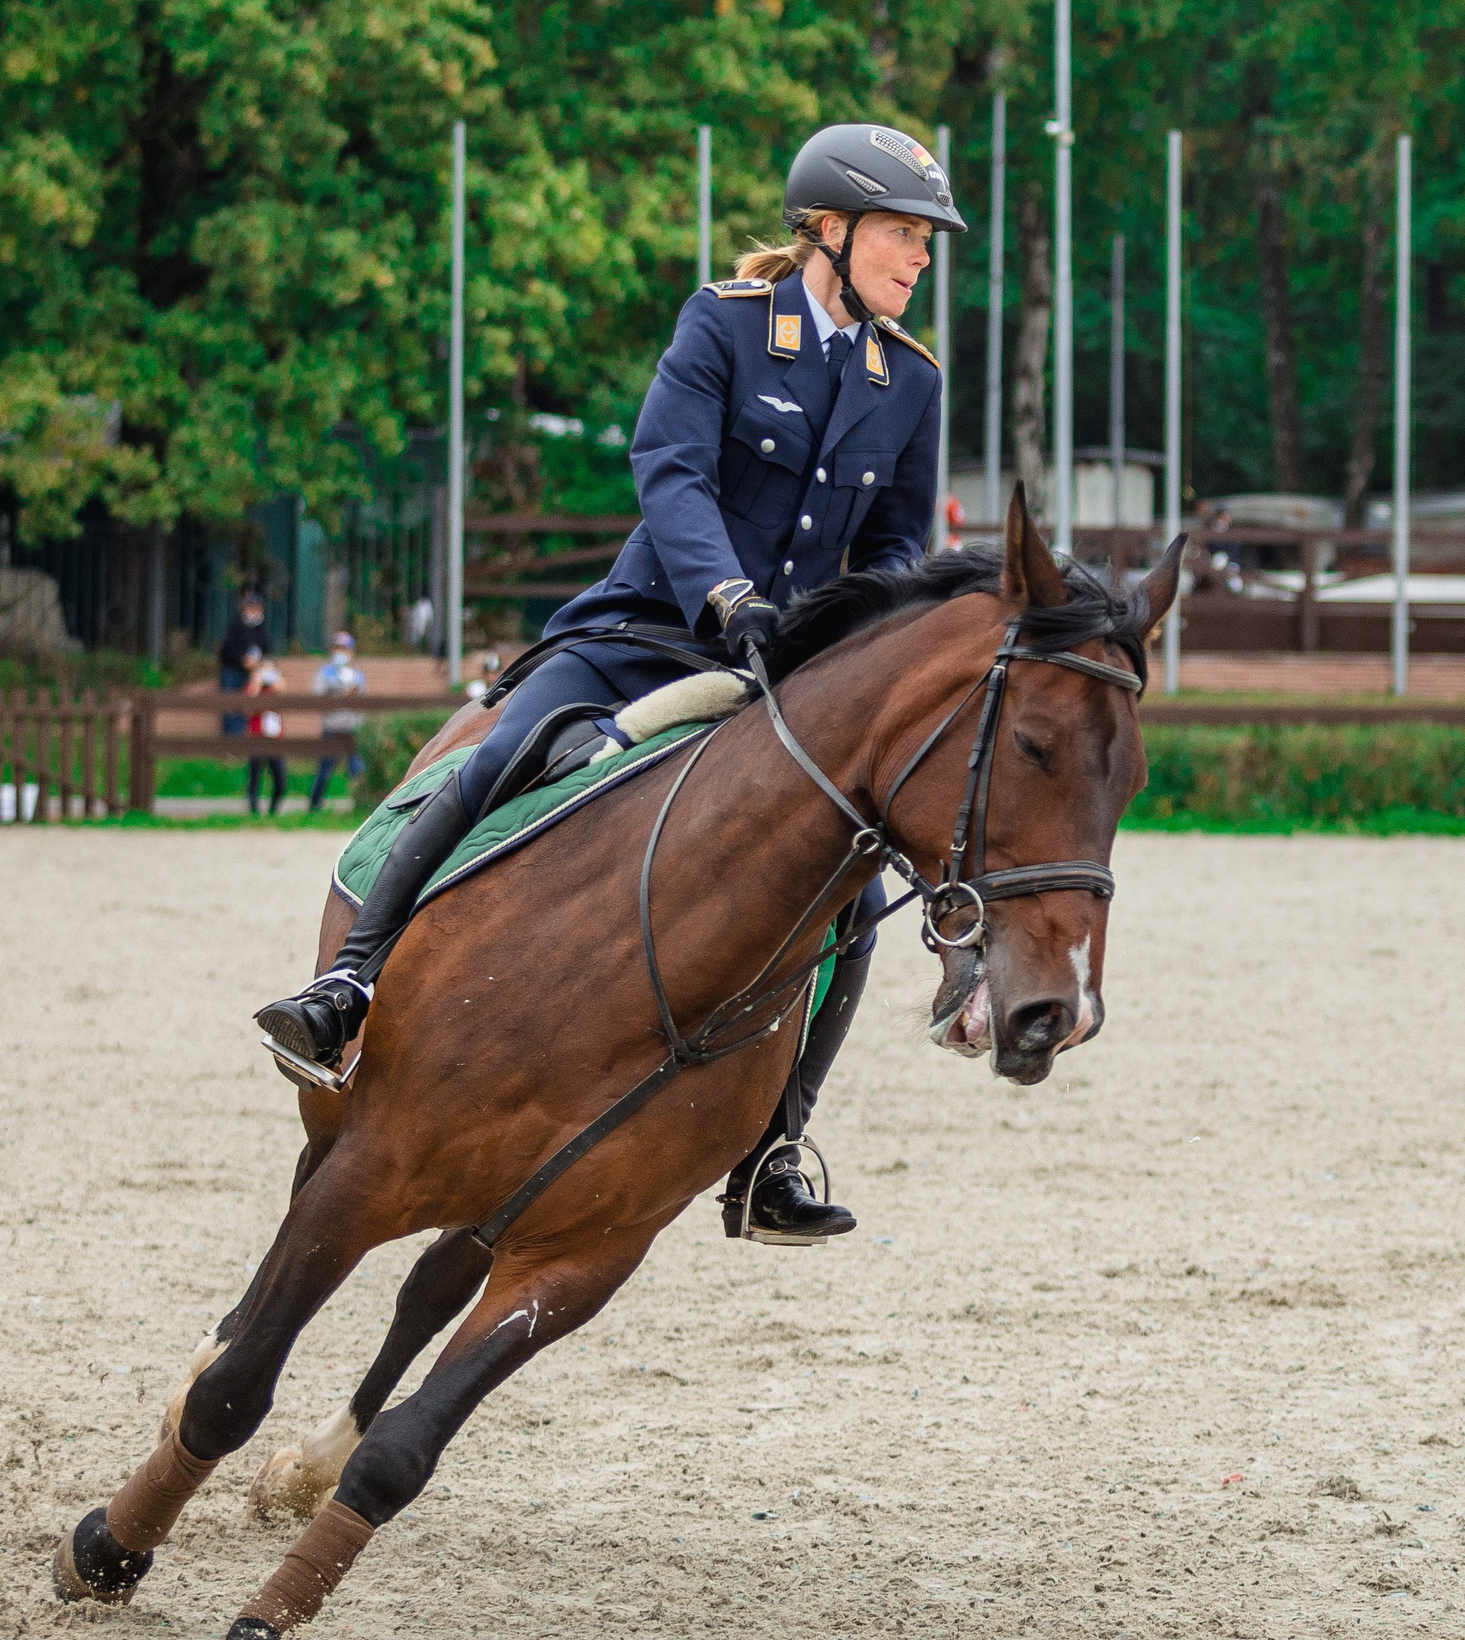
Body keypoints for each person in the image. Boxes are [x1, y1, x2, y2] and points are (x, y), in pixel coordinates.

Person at [255, 122, 962, 1245]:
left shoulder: (907, 381)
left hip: (784, 671)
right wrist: (726, 596)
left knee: (848, 891)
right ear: (827, 231)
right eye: (903, 234)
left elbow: (890, 548)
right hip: (651, 630)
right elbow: (669, 473)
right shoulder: (724, 325)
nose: (921, 258)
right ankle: (347, 984)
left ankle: (774, 1148)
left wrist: (843, 642)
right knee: (499, 760)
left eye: (928, 241)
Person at [308, 632, 368, 813]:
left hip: (353, 727)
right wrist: (343, 695)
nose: (340, 653)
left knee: (356, 768)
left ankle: (360, 805)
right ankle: (314, 805)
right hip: (332, 726)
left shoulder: (358, 675)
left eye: (344, 649)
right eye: (337, 649)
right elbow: (317, 695)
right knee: (325, 769)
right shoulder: (325, 672)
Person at [218, 592, 269, 737]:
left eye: (258, 609)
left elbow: (265, 649)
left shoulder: (261, 629)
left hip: (250, 673)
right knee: (230, 705)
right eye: (252, 608)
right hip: (232, 671)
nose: (255, 612)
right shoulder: (236, 627)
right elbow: (227, 650)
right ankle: (230, 743)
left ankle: (240, 742)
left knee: (244, 707)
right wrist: (242, 660)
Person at [244, 652, 288, 816]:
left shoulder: (277, 689)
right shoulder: (253, 688)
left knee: (280, 779)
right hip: (257, 736)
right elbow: (249, 710)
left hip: (275, 739)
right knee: (254, 775)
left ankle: (273, 810)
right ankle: (254, 809)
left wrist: (278, 685)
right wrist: (256, 684)